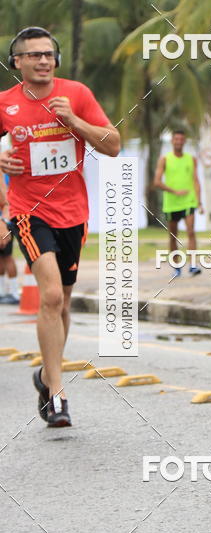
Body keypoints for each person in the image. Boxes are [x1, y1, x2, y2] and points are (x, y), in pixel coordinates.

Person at [0, 26, 120, 427]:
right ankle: (57, 392)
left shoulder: (77, 95)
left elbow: (112, 143)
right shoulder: (5, 104)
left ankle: (45, 375)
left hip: (73, 212)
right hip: (28, 211)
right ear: (17, 62)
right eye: (34, 55)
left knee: (63, 303)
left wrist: (75, 122)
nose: (43, 61)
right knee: (50, 295)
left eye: (49, 54)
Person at [153, 130, 203, 276]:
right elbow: (157, 182)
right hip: (172, 203)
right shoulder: (165, 159)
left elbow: (195, 180)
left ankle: (193, 265)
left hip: (189, 201)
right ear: (172, 141)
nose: (179, 142)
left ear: (184, 141)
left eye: (181, 139)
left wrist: (199, 201)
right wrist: (174, 191)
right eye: (176, 139)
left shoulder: (191, 159)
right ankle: (176, 267)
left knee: (191, 232)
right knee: (173, 236)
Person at [0, 173, 19, 304]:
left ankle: (14, 292)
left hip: (5, 222)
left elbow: (7, 201)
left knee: (7, 256)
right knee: (3, 256)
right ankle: (2, 291)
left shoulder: (4, 174)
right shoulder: (7, 172)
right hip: (6, 220)